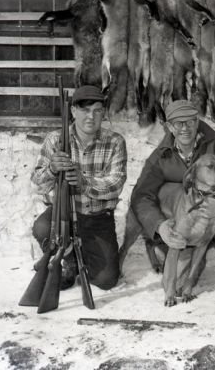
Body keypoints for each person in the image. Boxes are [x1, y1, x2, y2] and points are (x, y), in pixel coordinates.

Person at [130, 100, 215, 296]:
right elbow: (141, 196)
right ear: (169, 127)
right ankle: (190, 257)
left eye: (190, 121)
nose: (185, 128)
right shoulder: (161, 156)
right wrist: (159, 226)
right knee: (180, 287)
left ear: (197, 122)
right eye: (178, 123)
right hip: (187, 221)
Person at [31, 85, 127, 290]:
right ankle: (69, 258)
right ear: (73, 111)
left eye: (97, 110)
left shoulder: (115, 142)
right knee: (42, 227)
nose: (91, 116)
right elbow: (38, 184)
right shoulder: (55, 139)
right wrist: (52, 169)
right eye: (85, 110)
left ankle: (80, 253)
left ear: (103, 113)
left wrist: (85, 184)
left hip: (97, 217)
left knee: (105, 280)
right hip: (62, 214)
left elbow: (116, 185)